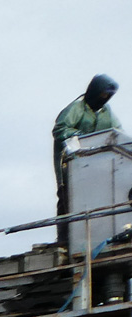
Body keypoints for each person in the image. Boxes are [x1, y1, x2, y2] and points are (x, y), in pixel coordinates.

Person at [53, 74, 120, 236]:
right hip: (71, 164)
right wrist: (83, 136)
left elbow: (117, 132)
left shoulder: (106, 112)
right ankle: (64, 239)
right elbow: (60, 130)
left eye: (108, 96)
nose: (104, 99)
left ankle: (97, 234)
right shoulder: (77, 108)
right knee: (68, 199)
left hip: (96, 166)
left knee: (97, 198)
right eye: (102, 94)